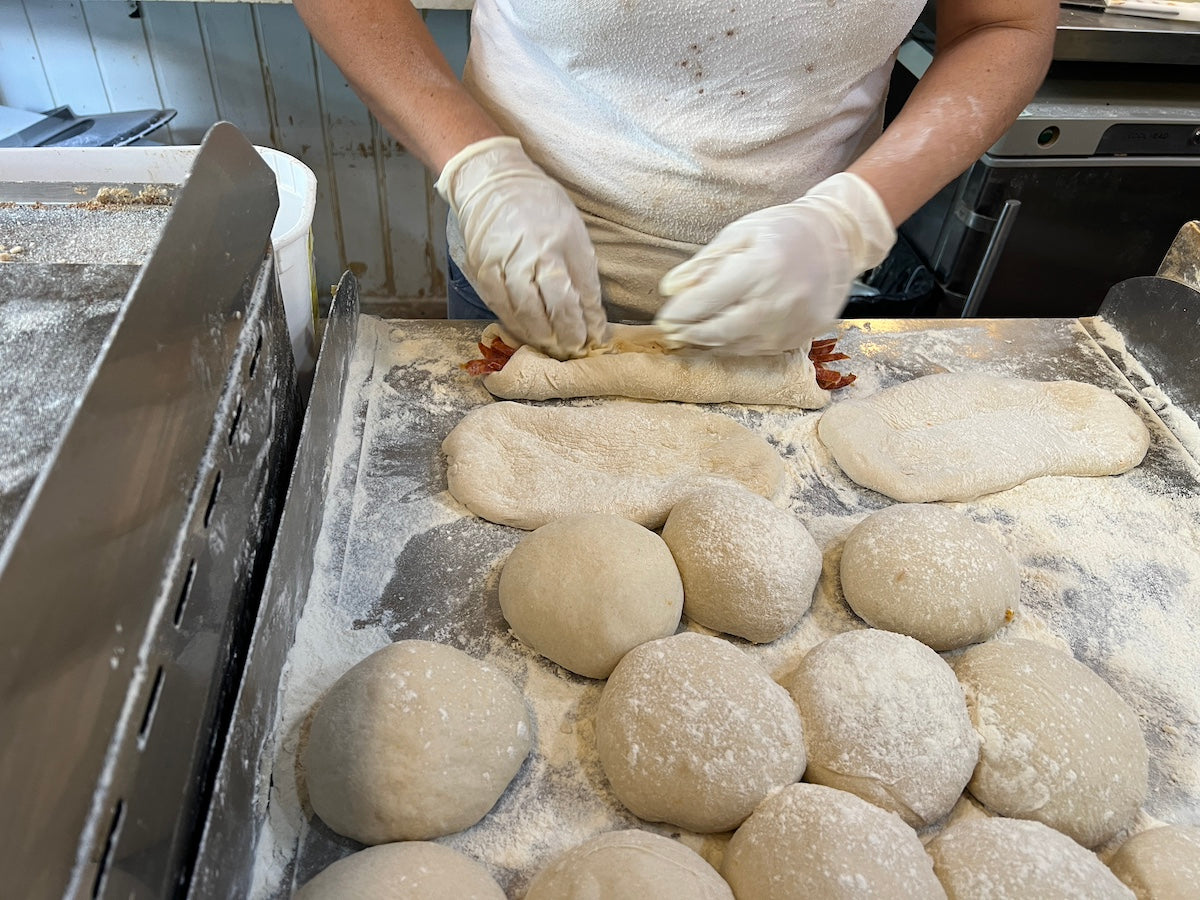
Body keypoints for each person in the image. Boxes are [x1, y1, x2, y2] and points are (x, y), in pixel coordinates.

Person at [295, 0, 1056, 360]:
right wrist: (478, 165)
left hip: (786, 295)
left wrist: (851, 215)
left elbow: (1005, 25)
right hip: (528, 270)